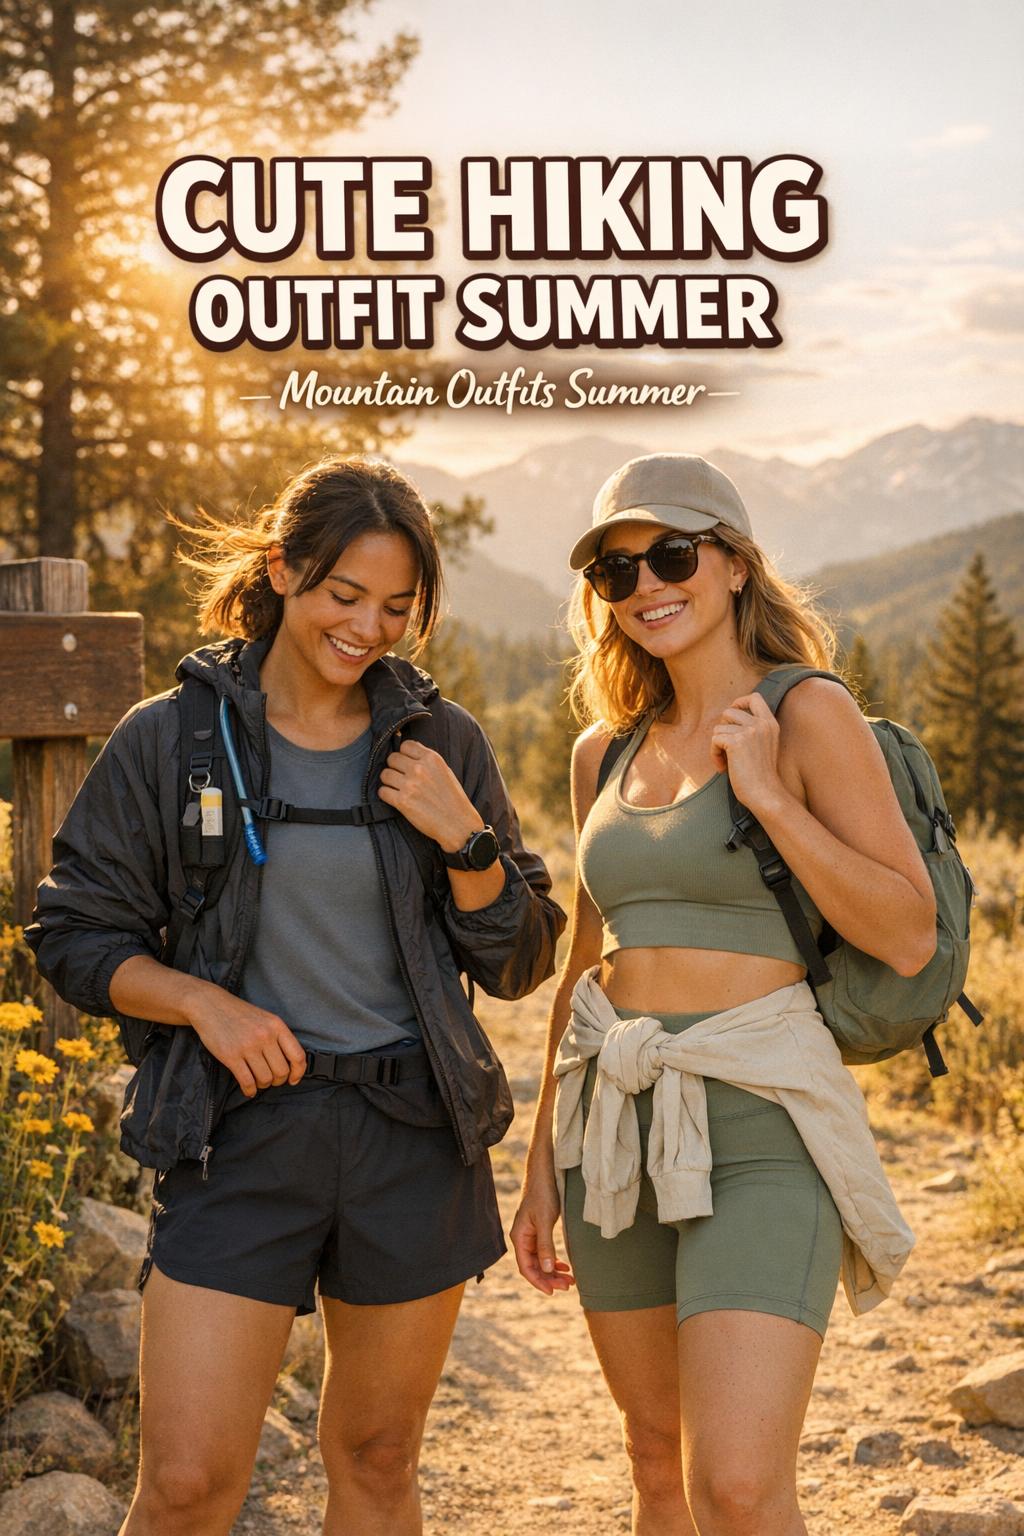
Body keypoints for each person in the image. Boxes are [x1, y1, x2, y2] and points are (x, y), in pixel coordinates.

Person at [27, 455, 565, 1536]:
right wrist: (204, 1004)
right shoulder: (171, 740)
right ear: (280, 568)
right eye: (343, 594)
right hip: (236, 1134)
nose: (368, 628)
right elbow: (74, 933)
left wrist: (465, 840)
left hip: (412, 1136)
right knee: (186, 1486)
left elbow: (520, 961)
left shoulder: (441, 743)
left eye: (397, 608)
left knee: (377, 1460)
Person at [511, 453, 930, 1536]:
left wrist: (770, 798)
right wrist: (538, 1164)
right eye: (615, 571)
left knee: (737, 1485)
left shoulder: (809, 710)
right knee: (657, 1461)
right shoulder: (602, 753)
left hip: (760, 1124)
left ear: (736, 563)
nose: (645, 585)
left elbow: (906, 927)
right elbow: (586, 965)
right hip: (612, 1127)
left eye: (672, 555)